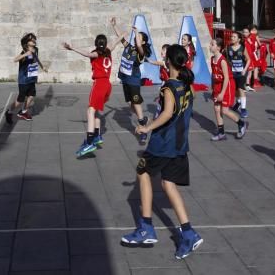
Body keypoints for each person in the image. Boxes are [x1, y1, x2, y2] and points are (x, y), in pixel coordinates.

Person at [121, 45, 203, 260]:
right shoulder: (187, 85)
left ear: (169, 62)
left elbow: (167, 113)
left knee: (143, 172)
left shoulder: (168, 87)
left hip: (163, 144)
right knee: (168, 183)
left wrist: (147, 127)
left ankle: (146, 228)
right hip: (179, 144)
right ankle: (188, 232)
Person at [64, 30, 119, 158]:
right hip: (107, 85)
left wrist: (72, 47)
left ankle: (89, 142)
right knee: (97, 111)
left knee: (90, 111)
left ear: (96, 44)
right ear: (105, 44)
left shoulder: (96, 54)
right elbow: (116, 41)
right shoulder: (109, 50)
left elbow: (86, 54)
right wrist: (118, 30)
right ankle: (97, 135)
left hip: (99, 84)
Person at [111, 17, 152, 145]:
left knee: (136, 104)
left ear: (143, 42)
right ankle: (144, 118)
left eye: (139, 37)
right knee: (131, 104)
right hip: (125, 79)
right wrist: (114, 25)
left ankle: (143, 129)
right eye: (136, 36)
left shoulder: (141, 53)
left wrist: (136, 31)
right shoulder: (130, 47)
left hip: (133, 80)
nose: (136, 38)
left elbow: (139, 44)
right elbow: (121, 38)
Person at [210, 38, 248, 141]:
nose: (210, 46)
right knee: (217, 109)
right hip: (218, 86)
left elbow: (226, 77)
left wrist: (222, 93)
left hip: (227, 86)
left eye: (212, 44)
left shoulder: (222, 61)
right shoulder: (212, 59)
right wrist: (213, 89)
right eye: (210, 44)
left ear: (218, 47)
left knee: (225, 110)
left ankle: (242, 124)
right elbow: (214, 75)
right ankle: (221, 133)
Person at [5, 33, 47, 123]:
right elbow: (15, 60)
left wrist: (42, 67)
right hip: (23, 79)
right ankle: (9, 112)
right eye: (32, 40)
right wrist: (25, 54)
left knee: (31, 96)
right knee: (20, 100)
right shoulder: (24, 51)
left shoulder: (35, 49)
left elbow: (36, 58)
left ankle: (23, 112)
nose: (34, 41)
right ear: (27, 42)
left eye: (34, 39)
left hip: (31, 78)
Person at [226, 32, 250, 118]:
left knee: (241, 89)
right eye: (231, 36)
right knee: (235, 91)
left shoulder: (242, 48)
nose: (232, 38)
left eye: (234, 37)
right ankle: (239, 102)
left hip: (241, 72)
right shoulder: (228, 48)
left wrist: (245, 69)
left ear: (239, 39)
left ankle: (243, 109)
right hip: (233, 72)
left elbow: (248, 60)